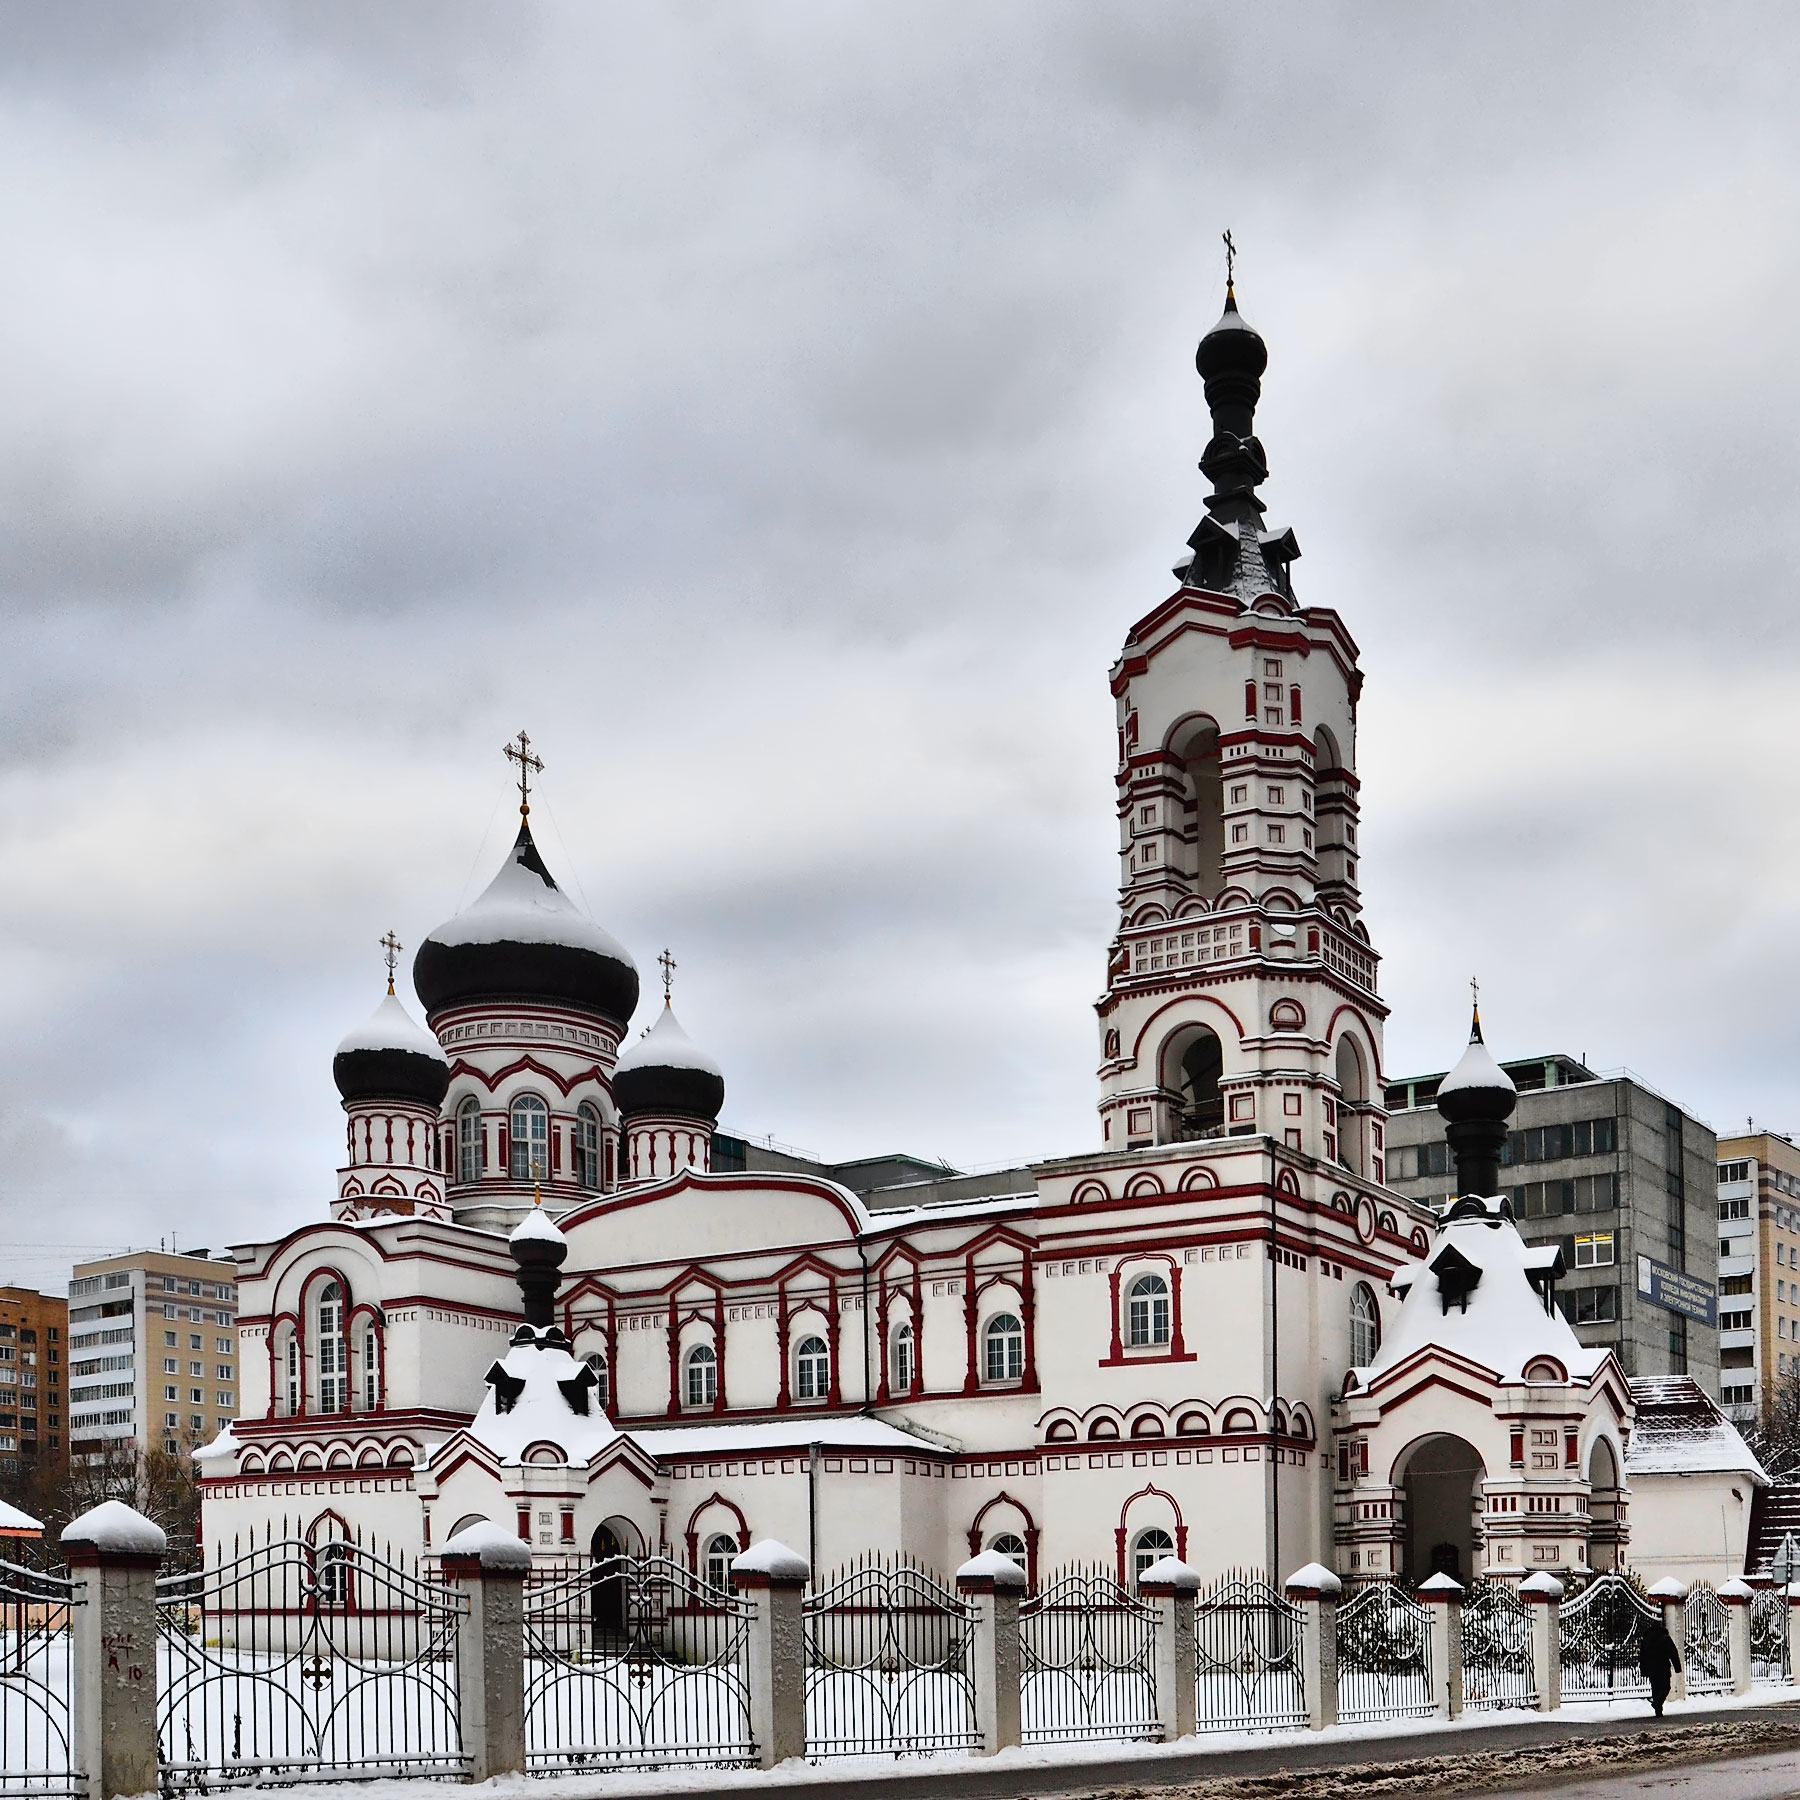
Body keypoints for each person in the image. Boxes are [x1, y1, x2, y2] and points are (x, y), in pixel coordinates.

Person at [1638, 1618, 1682, 1718]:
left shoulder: (1646, 1639)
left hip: (1651, 1668)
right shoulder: (1665, 1638)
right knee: (1666, 1687)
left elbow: (1642, 1656)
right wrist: (1677, 1667)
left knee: (1655, 1688)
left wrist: (1643, 1669)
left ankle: (1658, 1709)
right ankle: (1657, 1704)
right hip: (1663, 1667)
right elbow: (1673, 1653)